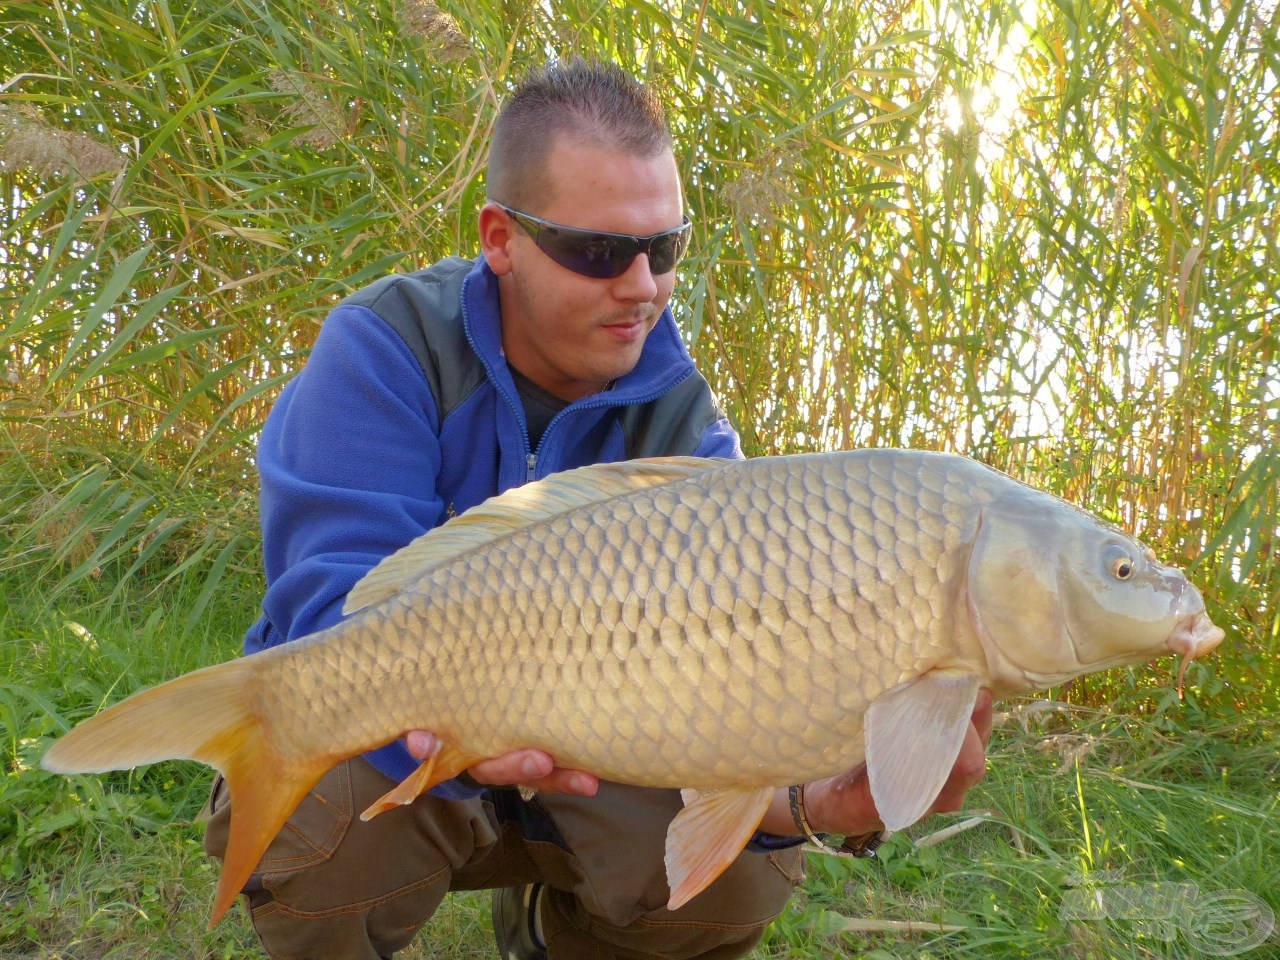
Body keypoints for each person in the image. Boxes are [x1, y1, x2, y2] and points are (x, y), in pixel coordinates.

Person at [204, 58, 993, 960]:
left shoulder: (683, 421)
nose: (643, 287)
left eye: (665, 249)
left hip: (602, 755)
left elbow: (732, 698)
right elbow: (330, 612)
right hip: (411, 730)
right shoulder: (388, 346)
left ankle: (549, 936)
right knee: (322, 814)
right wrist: (460, 731)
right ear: (500, 239)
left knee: (738, 877)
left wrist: (811, 804)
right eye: (598, 252)